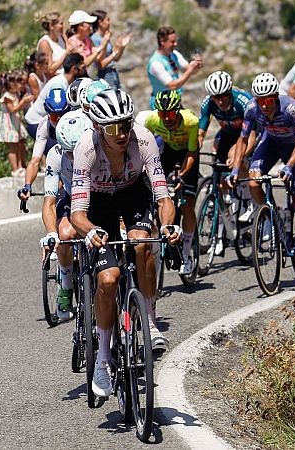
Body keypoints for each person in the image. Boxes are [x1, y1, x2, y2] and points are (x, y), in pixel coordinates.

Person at [70, 89, 181, 396]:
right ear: (97, 128)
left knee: (143, 243)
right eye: (112, 128)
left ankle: (149, 321)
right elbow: (78, 213)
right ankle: (103, 359)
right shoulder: (85, 149)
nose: (122, 134)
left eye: (126, 125)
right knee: (108, 278)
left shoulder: (143, 139)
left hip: (133, 194)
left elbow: (162, 195)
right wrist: (91, 231)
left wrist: (169, 223)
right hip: (99, 205)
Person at [229, 73, 295, 273]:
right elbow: (243, 139)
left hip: (293, 147)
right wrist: (235, 167)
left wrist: (289, 166)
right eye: (260, 101)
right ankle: (270, 217)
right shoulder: (252, 108)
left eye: (268, 100)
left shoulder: (291, 108)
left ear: (275, 97)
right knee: (253, 182)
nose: (264, 105)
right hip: (271, 144)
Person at [40, 110, 91, 320]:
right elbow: (49, 202)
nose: (73, 156)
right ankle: (66, 286)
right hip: (72, 198)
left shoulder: (97, 147)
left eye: (76, 150)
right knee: (64, 236)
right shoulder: (55, 154)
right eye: (68, 152)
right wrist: (51, 233)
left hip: (98, 196)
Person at [144, 89, 199, 275]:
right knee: (153, 188)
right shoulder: (152, 120)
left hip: (188, 154)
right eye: (162, 114)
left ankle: (186, 254)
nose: (166, 118)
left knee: (188, 206)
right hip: (168, 151)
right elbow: (144, 145)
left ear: (177, 111)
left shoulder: (190, 121)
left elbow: (192, 153)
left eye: (169, 114)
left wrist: (182, 175)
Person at [199, 70, 254, 234]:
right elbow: (200, 134)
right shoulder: (208, 103)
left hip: (249, 133)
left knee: (235, 156)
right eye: (216, 97)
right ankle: (226, 222)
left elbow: (249, 135)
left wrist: (239, 156)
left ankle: (249, 200)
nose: (220, 100)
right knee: (217, 168)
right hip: (227, 134)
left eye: (223, 95)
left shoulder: (243, 102)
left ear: (230, 92)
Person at [21, 53, 85, 189]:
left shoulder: (76, 120)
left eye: (63, 115)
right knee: (57, 159)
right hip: (34, 121)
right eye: (55, 117)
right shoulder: (45, 124)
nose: (59, 120)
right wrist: (27, 185)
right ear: (48, 115)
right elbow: (34, 161)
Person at [146, 26, 203, 109]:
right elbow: (172, 85)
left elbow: (189, 69)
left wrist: (196, 65)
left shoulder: (174, 54)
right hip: (161, 105)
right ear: (162, 41)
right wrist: (191, 69)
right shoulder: (155, 63)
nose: (175, 44)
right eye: (172, 42)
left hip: (174, 101)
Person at [0, 70, 35, 176]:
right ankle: (15, 169)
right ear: (13, 84)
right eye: (21, 84)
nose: (23, 86)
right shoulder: (7, 97)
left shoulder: (16, 94)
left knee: (19, 144)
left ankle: (21, 166)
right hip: (9, 124)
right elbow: (13, 110)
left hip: (15, 123)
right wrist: (23, 102)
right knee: (13, 148)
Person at [91, 10, 132, 89]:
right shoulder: (95, 39)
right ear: (100, 22)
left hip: (113, 73)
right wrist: (113, 53)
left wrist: (121, 47)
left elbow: (115, 59)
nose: (109, 22)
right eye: (107, 20)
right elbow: (101, 64)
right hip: (105, 76)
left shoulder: (105, 37)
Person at [35, 11, 79, 77]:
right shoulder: (45, 43)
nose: (62, 26)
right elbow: (50, 70)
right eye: (60, 24)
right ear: (51, 26)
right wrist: (65, 54)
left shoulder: (62, 37)